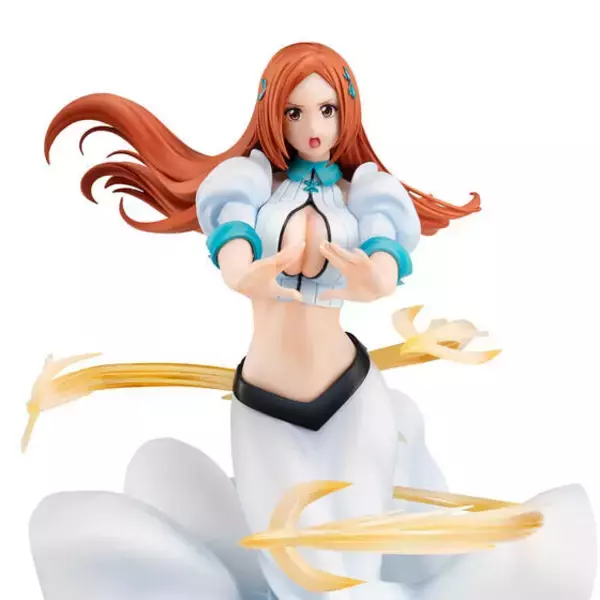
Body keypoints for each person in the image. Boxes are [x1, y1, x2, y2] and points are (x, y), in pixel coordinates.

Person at [27, 42, 596, 599]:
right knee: (295, 572)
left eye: (326, 109)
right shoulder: (249, 185)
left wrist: (374, 276)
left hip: (352, 396)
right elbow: (232, 247)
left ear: (347, 112)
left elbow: (383, 263)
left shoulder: (363, 192)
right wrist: (244, 274)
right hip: (265, 407)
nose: (313, 126)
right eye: (295, 112)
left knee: (351, 572)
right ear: (273, 115)